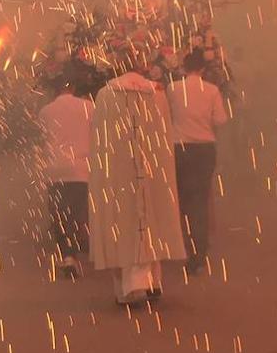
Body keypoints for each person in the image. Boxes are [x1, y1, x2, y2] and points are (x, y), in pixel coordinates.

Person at [89, 67, 185, 305]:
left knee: (123, 223)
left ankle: (131, 287)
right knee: (151, 217)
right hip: (151, 166)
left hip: (118, 170)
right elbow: (163, 135)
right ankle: (153, 281)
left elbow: (100, 138)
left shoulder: (106, 95)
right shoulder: (156, 94)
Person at [166, 48, 229, 273]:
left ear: (183, 68)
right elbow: (220, 120)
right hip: (204, 149)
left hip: (179, 148)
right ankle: (199, 253)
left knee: (182, 200)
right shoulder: (211, 90)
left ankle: (184, 247)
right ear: (202, 69)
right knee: (200, 200)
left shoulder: (172, 89)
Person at [37, 72, 92, 278]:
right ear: (74, 88)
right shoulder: (88, 107)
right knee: (78, 211)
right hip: (80, 168)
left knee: (59, 213)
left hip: (55, 168)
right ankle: (77, 248)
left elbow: (44, 138)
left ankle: (67, 255)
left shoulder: (45, 111)